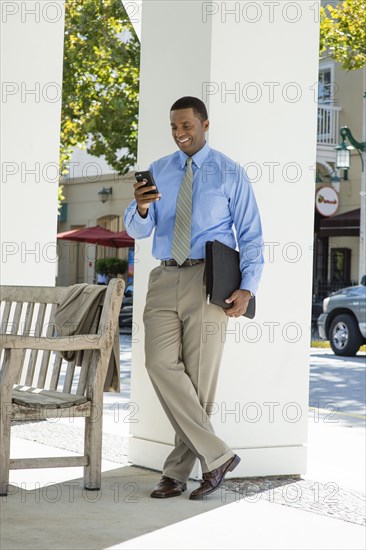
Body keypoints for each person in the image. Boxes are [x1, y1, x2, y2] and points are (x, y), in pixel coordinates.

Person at [124, 96, 264, 500]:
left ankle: (176, 472)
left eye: (186, 126)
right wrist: (142, 207)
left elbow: (251, 235)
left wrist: (248, 286)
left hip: (211, 279)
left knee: (199, 383)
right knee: (158, 364)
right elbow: (137, 231)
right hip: (165, 276)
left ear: (205, 124)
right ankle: (218, 456)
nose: (180, 134)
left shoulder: (230, 173)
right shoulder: (159, 171)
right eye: (174, 127)